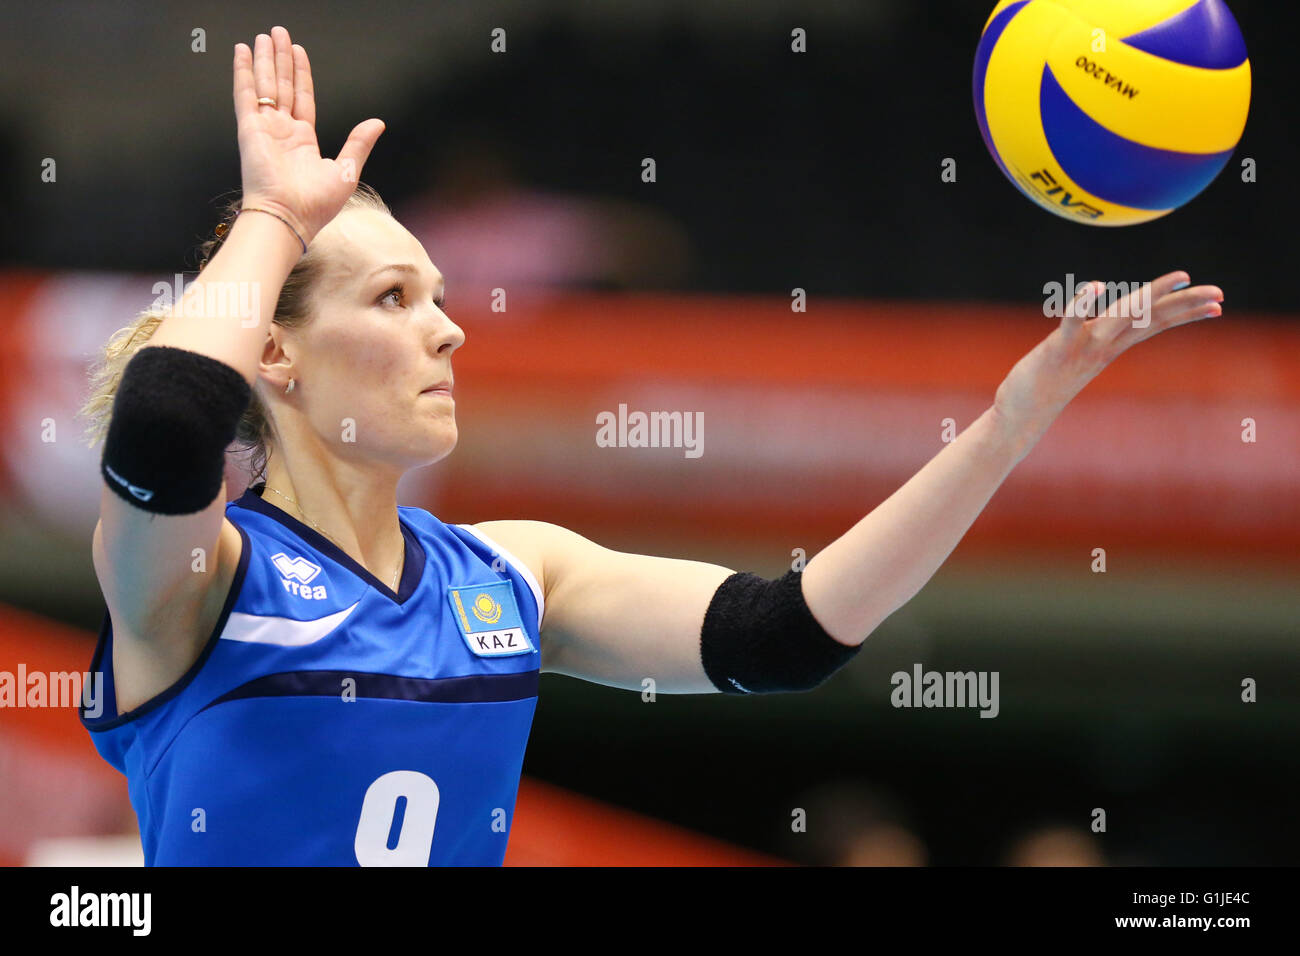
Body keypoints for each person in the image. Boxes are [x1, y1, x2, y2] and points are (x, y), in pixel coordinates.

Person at [76, 26, 1226, 866]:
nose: (448, 323)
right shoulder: (200, 580)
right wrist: (275, 216)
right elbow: (168, 422)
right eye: (390, 296)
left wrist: (1009, 421)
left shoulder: (511, 573)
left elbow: (786, 635)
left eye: (439, 292)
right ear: (275, 358)